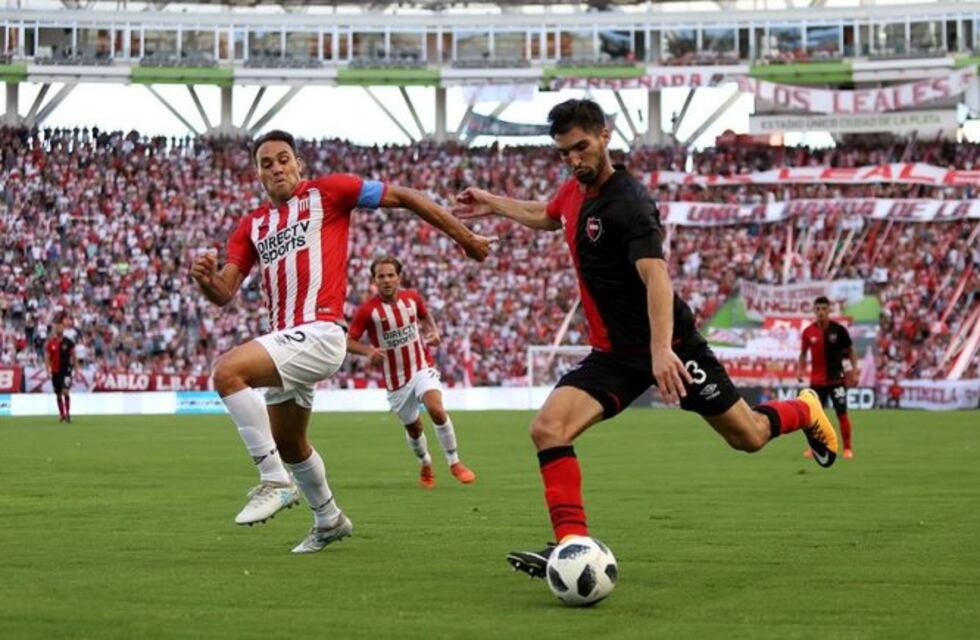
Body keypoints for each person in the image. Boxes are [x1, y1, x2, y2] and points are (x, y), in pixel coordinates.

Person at [451, 98, 839, 578]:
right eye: (565, 153)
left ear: (605, 136)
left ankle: (804, 410)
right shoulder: (574, 192)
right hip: (613, 355)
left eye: (581, 147)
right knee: (547, 429)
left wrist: (661, 351)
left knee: (750, 437)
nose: (574, 160)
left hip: (671, 346)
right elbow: (548, 215)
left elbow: (657, 278)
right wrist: (493, 202)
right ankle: (572, 544)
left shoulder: (629, 203)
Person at [190, 130, 492, 554]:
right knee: (292, 444)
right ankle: (329, 519)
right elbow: (224, 293)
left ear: (299, 164)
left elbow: (404, 196)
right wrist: (206, 280)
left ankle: (274, 481)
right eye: (266, 163)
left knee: (226, 372)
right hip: (287, 342)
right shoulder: (252, 226)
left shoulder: (329, 193)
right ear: (258, 174)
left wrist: (465, 237)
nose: (276, 167)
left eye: (283, 159)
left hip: (320, 333)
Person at [347, 255, 477, 489]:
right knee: (414, 428)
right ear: (374, 280)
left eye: (390, 275)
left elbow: (426, 317)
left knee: (436, 409)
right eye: (381, 276)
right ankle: (425, 462)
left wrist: (433, 333)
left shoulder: (412, 298)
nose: (386, 280)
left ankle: (454, 462)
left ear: (398, 277)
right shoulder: (368, 311)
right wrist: (367, 351)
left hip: (421, 367)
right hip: (395, 382)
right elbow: (349, 341)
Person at [798, 296, 858, 459]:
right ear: (814, 311)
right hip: (817, 382)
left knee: (842, 413)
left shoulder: (839, 330)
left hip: (837, 380)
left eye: (824, 309)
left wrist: (854, 371)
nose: (821, 312)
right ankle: (814, 448)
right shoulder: (808, 332)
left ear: (829, 310)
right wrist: (800, 370)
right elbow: (803, 354)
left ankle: (847, 448)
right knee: (812, 417)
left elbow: (851, 351)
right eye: (818, 309)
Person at [44, 317, 77, 423]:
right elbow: (47, 357)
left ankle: (68, 414)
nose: (59, 329)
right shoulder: (51, 343)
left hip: (66, 370)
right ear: (55, 329)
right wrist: (47, 370)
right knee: (58, 393)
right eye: (57, 327)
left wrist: (76, 369)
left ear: (63, 329)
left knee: (65, 391)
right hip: (55, 371)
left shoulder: (68, 342)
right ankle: (62, 414)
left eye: (60, 327)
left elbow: (74, 356)